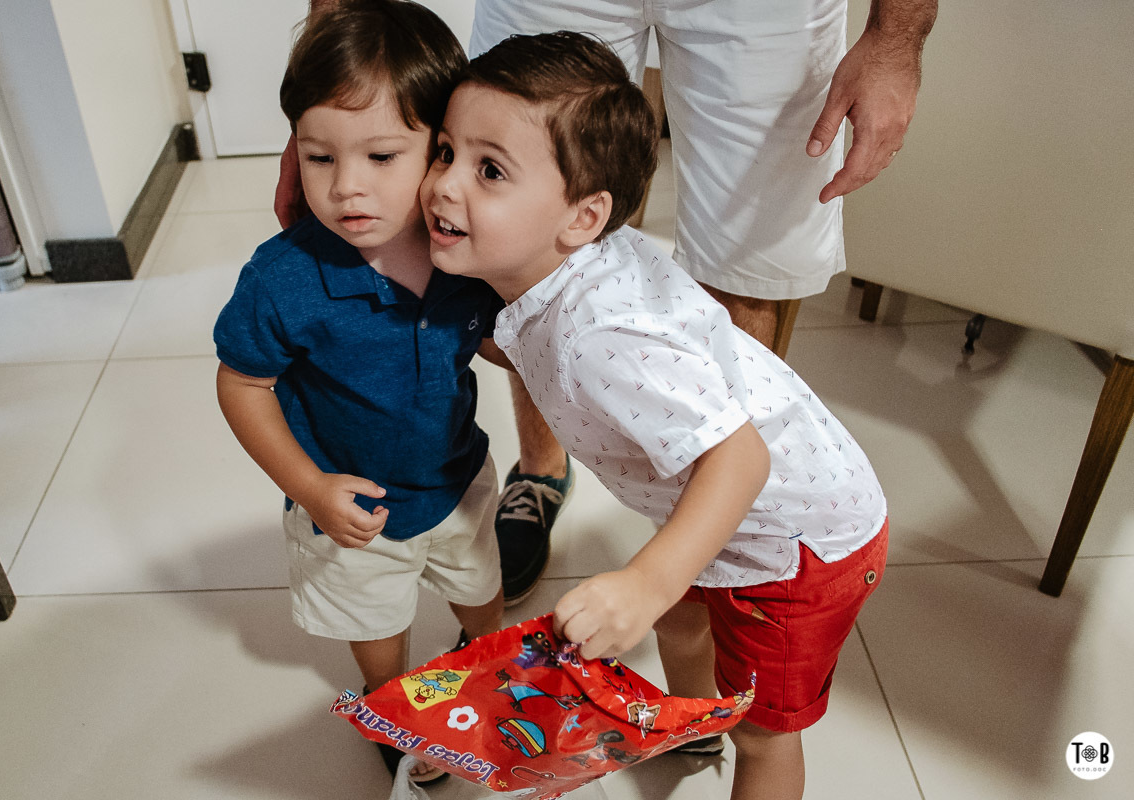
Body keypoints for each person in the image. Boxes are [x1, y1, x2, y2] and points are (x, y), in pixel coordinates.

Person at [420, 31, 890, 800]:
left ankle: (726, 733)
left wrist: (645, 581)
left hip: (799, 543)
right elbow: (531, 348)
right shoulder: (558, 268)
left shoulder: (603, 337)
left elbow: (741, 461)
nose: (443, 185)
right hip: (733, 516)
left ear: (582, 215)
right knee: (681, 623)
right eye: (444, 152)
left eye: (489, 170)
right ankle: (693, 726)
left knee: (766, 734)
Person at [214, 0, 508, 784]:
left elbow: (494, 333)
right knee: (376, 622)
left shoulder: (466, 248)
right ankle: (391, 706)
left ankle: (486, 666)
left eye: (382, 157)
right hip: (350, 506)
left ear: (440, 151)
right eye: (319, 158)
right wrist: (308, 485)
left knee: (483, 591)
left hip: (456, 478)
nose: (347, 189)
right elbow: (242, 383)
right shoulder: (282, 279)